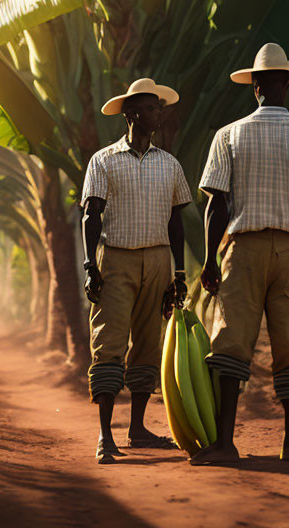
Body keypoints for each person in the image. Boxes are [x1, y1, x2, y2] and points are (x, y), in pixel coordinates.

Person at [191, 43, 289, 466]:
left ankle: (224, 443)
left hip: (243, 251)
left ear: (254, 86)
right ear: (288, 86)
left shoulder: (229, 135)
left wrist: (207, 260)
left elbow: (215, 205)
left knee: (231, 343)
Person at [81, 78, 192, 464]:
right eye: (150, 108)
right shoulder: (104, 160)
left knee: (147, 344)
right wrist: (90, 264)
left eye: (158, 107)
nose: (157, 113)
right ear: (131, 114)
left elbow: (177, 223)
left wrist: (178, 273)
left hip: (158, 260)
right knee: (109, 343)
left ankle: (138, 428)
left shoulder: (170, 164)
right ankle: (104, 435)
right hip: (116, 258)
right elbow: (91, 215)